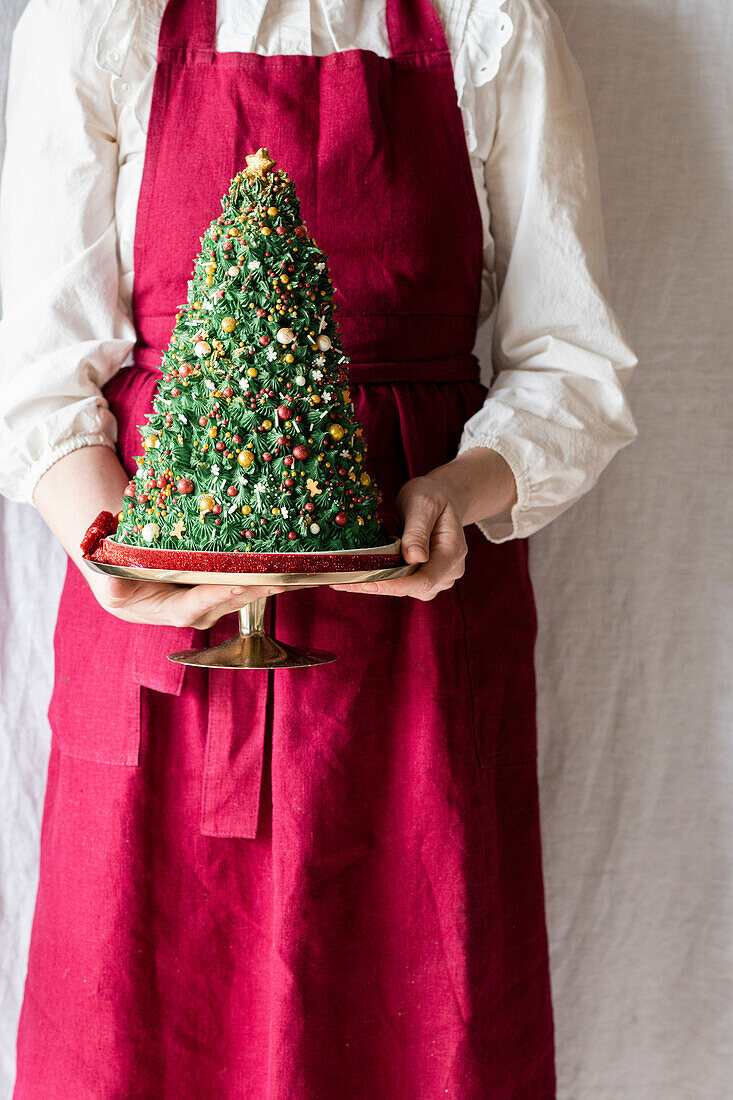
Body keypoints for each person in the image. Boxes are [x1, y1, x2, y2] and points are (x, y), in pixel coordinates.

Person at [0, 0, 638, 1095]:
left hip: (417, 627)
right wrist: (114, 548)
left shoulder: (486, 23)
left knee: (417, 1005)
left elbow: (570, 361)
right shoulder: (97, 19)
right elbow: (35, 367)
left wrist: (462, 487)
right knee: (142, 1021)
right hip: (161, 629)